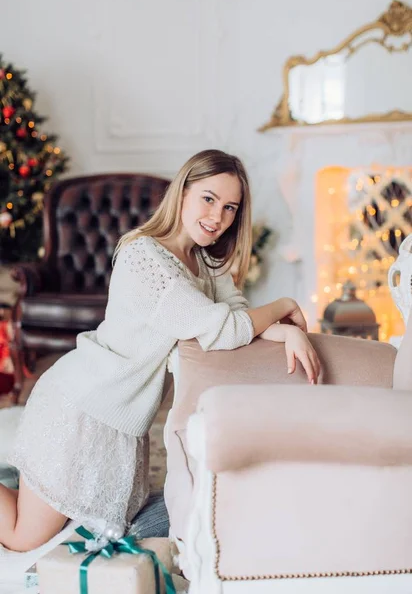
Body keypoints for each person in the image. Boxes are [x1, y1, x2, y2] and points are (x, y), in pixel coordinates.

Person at [0, 149, 322, 553]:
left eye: (230, 208)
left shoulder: (203, 261)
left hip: (123, 423)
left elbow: (236, 315)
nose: (218, 217)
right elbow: (221, 329)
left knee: (80, 537)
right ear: (181, 192)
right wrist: (284, 306)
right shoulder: (143, 256)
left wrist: (284, 333)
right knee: (22, 539)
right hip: (81, 406)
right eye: (208, 198)